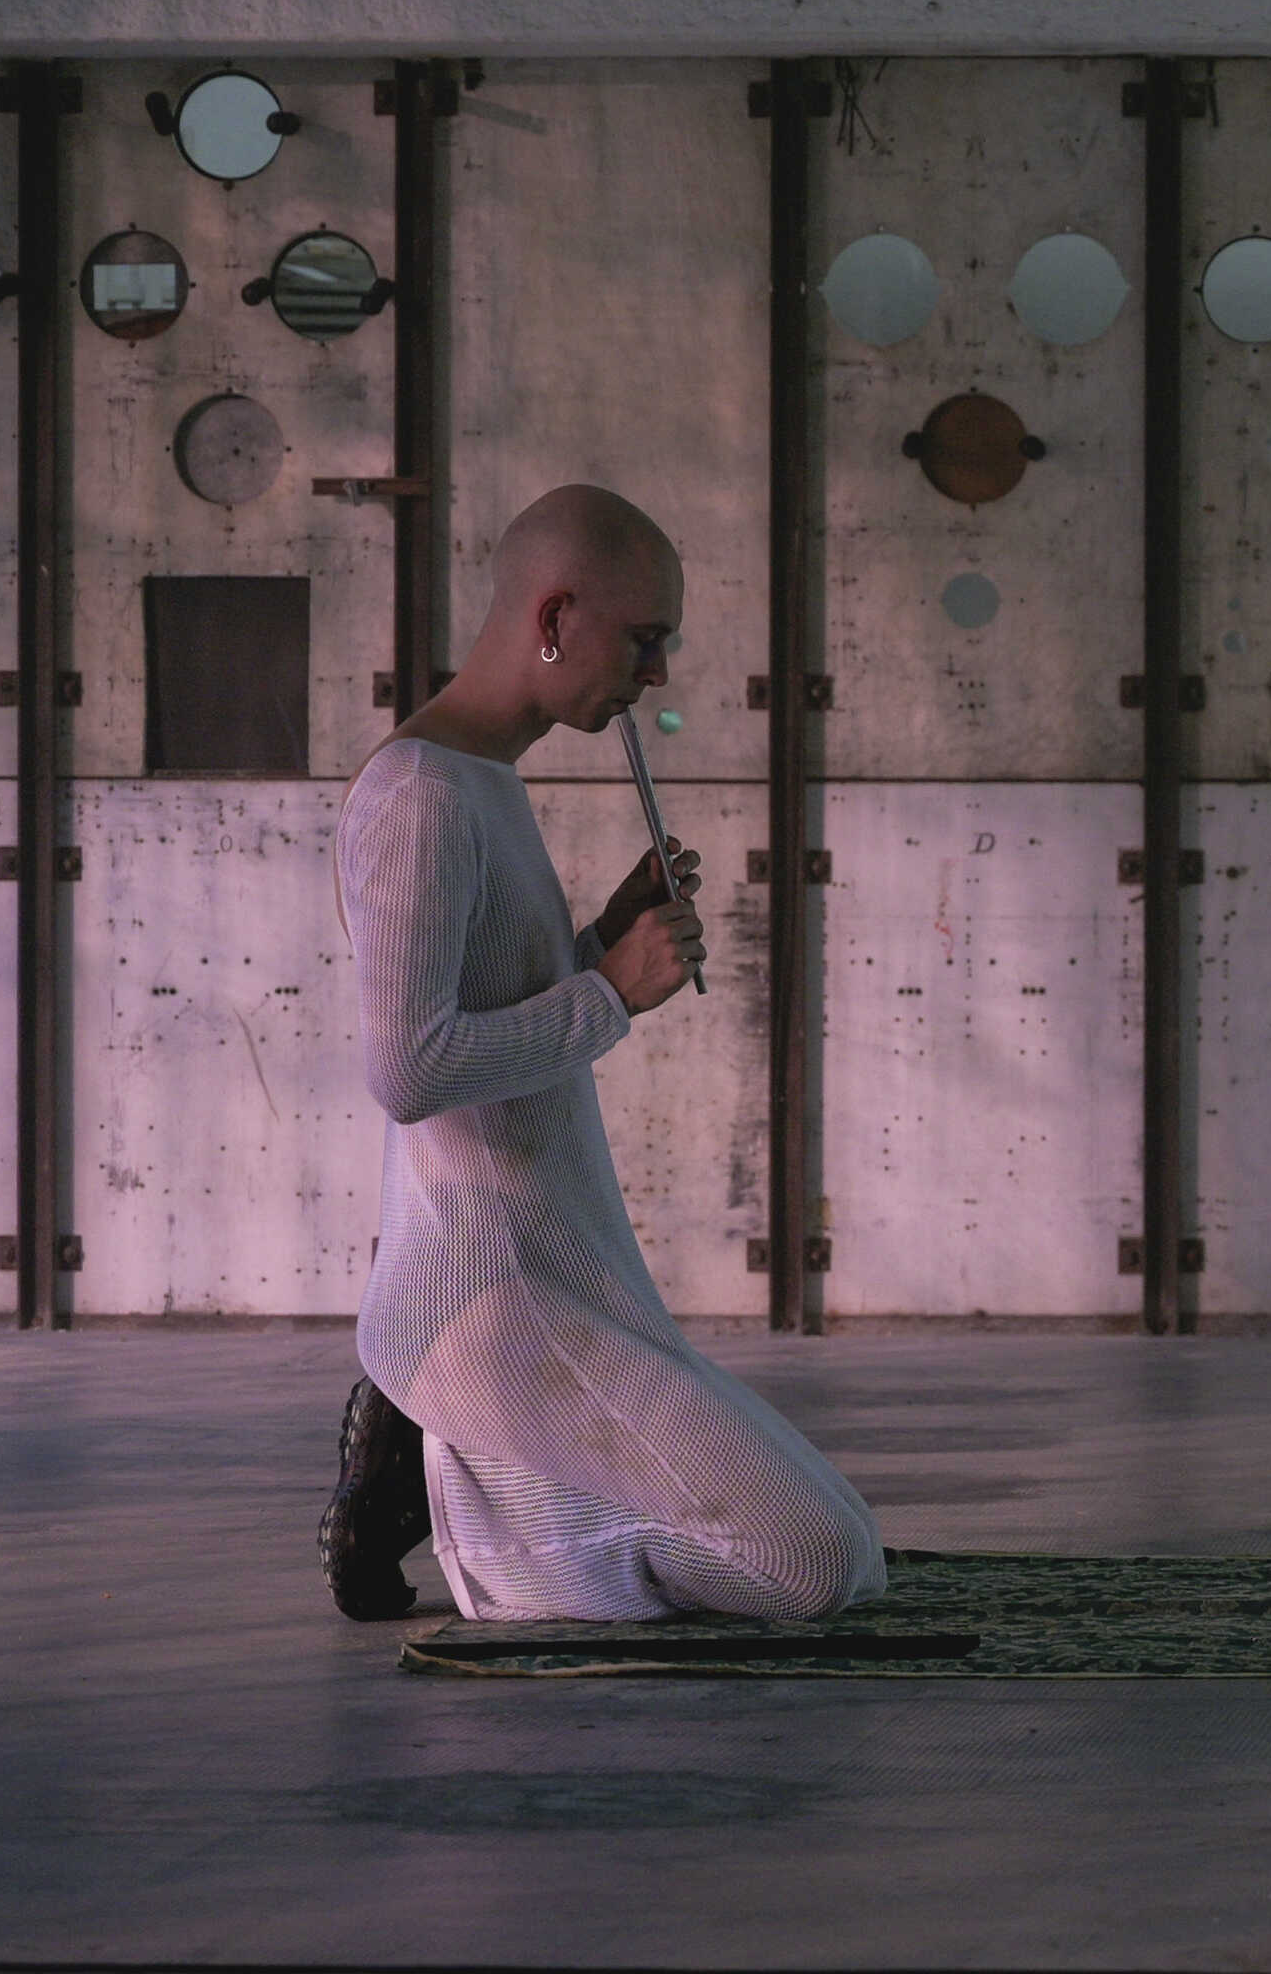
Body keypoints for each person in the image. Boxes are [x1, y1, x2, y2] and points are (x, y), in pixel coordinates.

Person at [316, 484, 886, 1624]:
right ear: (557, 615)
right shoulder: (421, 795)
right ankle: (435, 1434)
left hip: (550, 1267)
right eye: (646, 639)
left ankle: (458, 1460)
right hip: (485, 1287)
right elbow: (412, 1070)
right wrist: (612, 992)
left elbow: (491, 1009)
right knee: (811, 1570)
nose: (658, 675)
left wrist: (597, 948)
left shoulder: (480, 781)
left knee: (849, 1548)